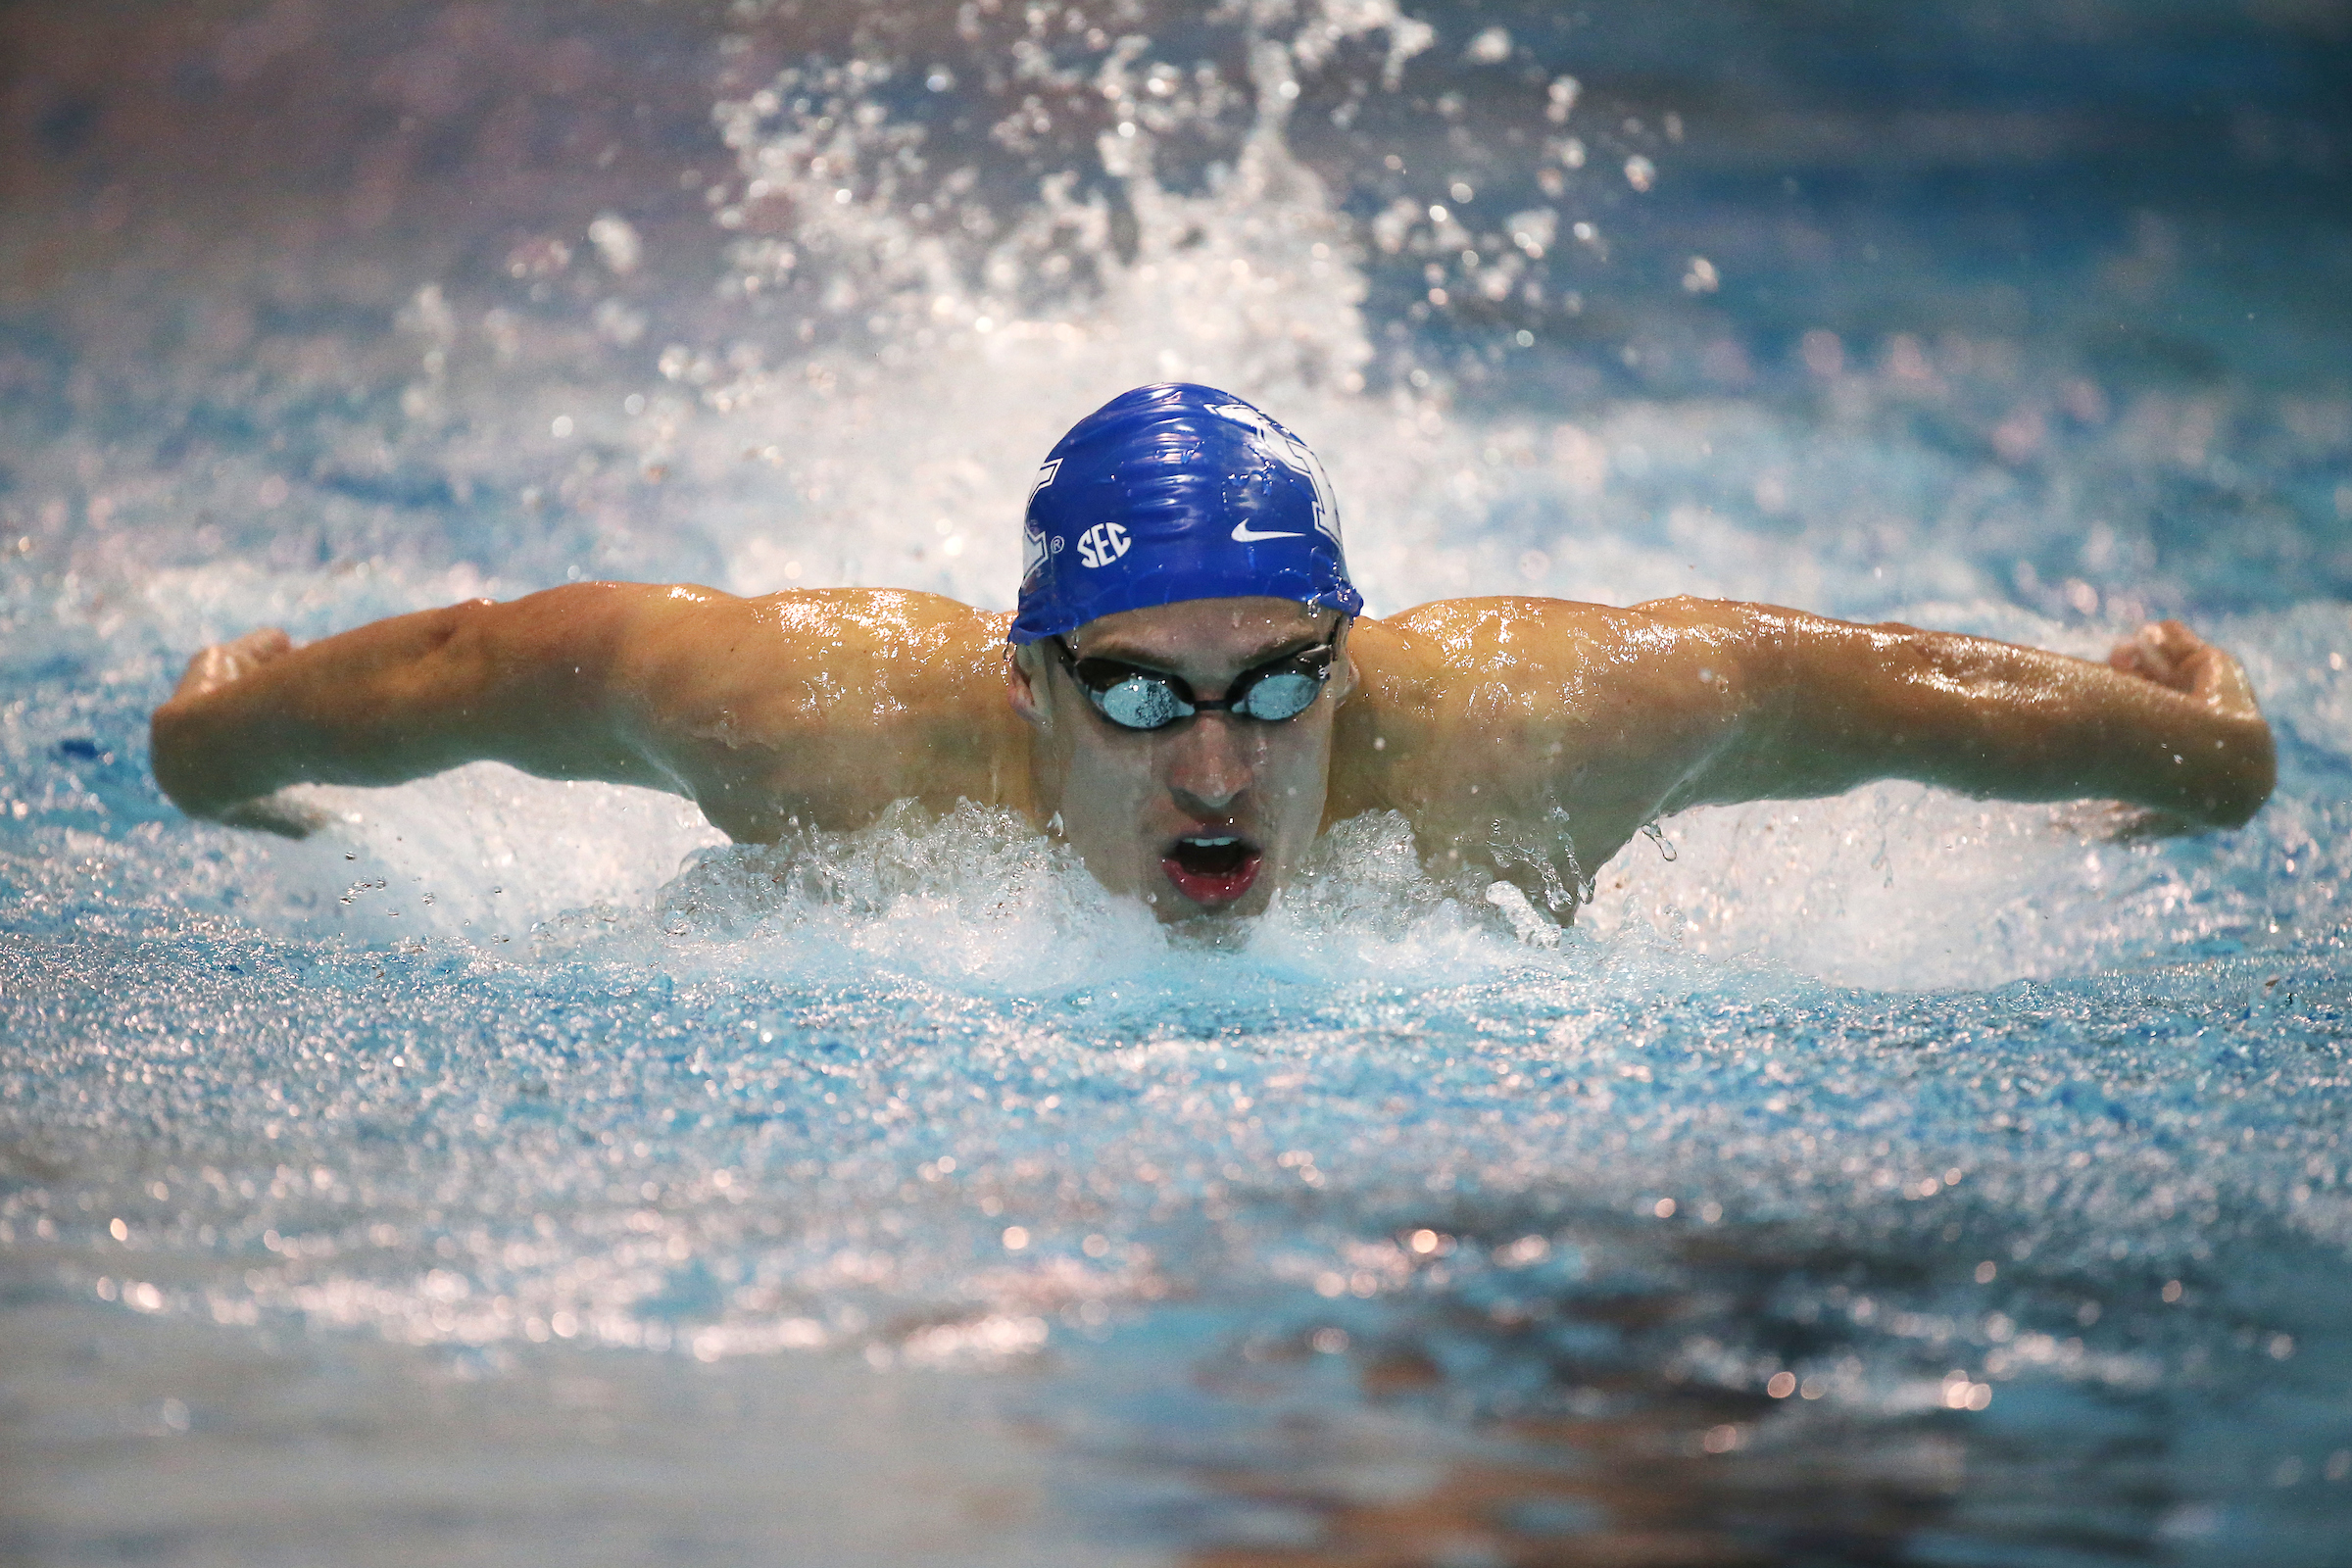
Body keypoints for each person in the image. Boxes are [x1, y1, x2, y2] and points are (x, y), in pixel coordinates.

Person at [150, 382, 2275, 925]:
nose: (1218, 766)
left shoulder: (1531, 729)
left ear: (1352, 666)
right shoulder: (808, 714)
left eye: (1275, 683)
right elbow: (478, 664)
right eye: (1140, 692)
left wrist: (2203, 754)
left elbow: (1869, 688)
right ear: (1023, 682)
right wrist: (223, 740)